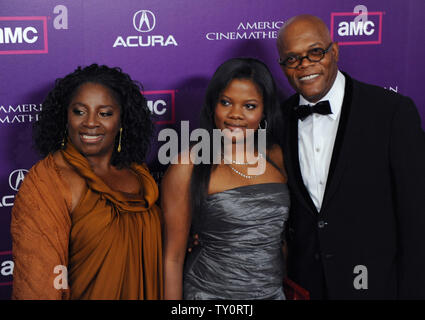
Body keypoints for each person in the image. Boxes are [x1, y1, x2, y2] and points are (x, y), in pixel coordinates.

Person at [276, 14, 425, 299]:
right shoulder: (278, 120)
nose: (305, 64)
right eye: (292, 58)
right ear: (283, 66)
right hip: (306, 287)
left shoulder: (391, 113)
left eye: (315, 52)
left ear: (334, 51)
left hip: (376, 285)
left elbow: (416, 217)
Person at [11, 64, 163, 299]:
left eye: (105, 113)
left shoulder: (138, 172)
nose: (90, 122)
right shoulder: (48, 181)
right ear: (65, 116)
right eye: (79, 111)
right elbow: (37, 282)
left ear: (122, 120)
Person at [161, 57, 289, 299]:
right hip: (209, 295)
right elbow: (172, 258)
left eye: (249, 106)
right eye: (226, 102)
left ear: (264, 111)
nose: (235, 115)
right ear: (213, 106)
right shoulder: (188, 165)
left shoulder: (276, 155)